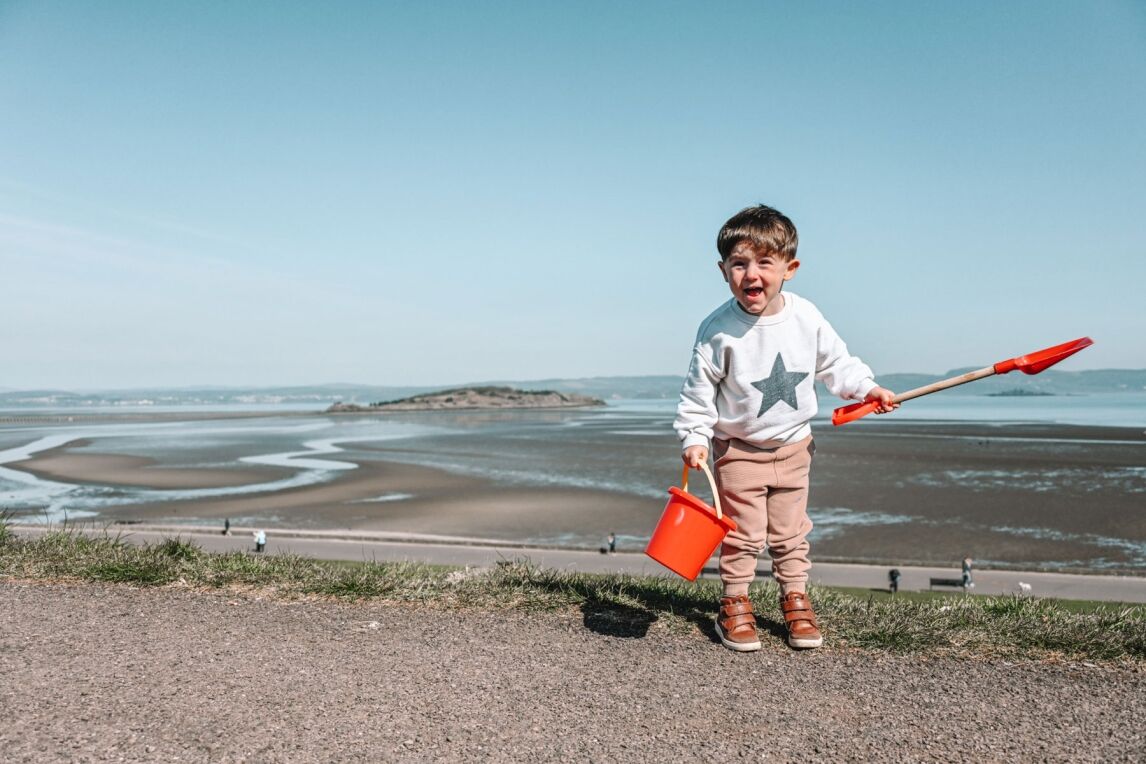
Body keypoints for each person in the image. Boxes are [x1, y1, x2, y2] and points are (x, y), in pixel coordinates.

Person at [674, 205, 897, 652]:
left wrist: (867, 389)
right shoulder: (717, 332)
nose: (750, 274)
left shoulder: (806, 317)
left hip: (796, 448)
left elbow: (837, 364)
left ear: (789, 269)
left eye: (763, 262)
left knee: (792, 532)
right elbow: (697, 396)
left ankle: (794, 598)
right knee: (742, 533)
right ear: (723, 271)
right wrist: (695, 439)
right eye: (739, 263)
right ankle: (734, 603)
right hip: (739, 451)